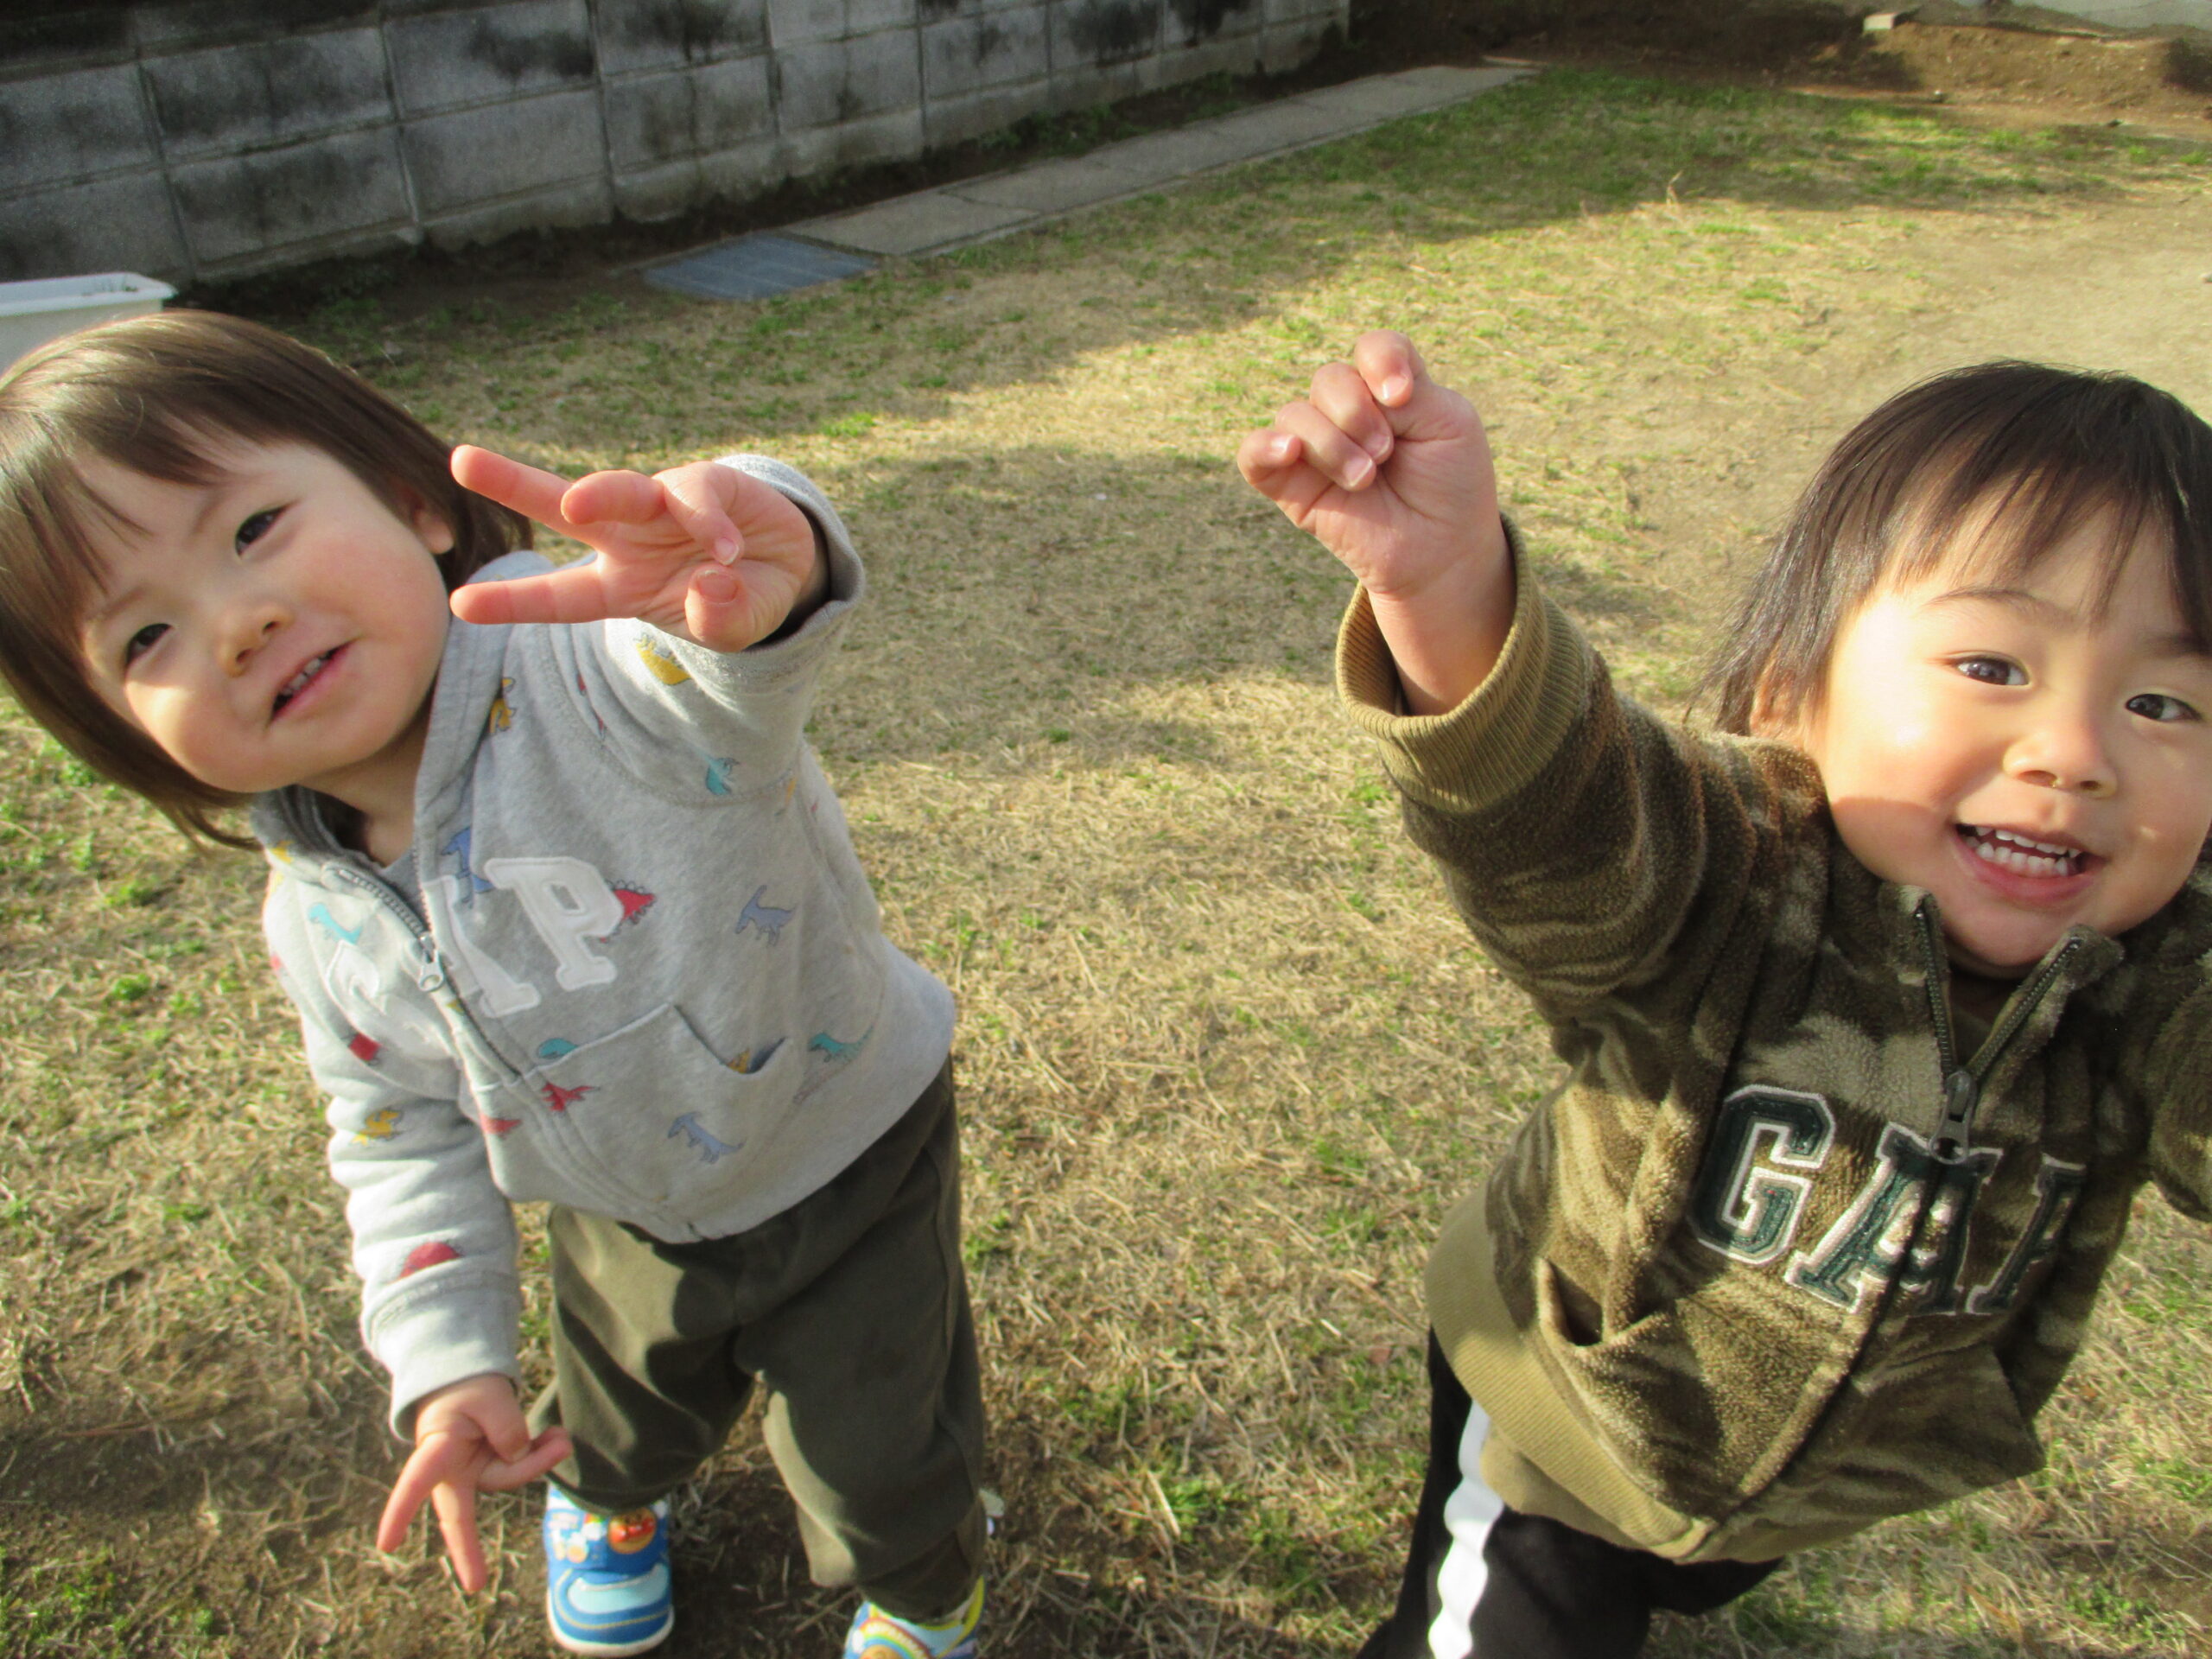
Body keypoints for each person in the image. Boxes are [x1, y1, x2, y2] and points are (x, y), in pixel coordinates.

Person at [0, 312, 987, 1659]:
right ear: (124, 734)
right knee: (619, 1412)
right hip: (616, 1203)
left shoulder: (599, 673)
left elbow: (730, 650)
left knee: (880, 1444)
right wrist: (447, 1365)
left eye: (252, 530)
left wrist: (757, 553)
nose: (237, 624)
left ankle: (925, 1590)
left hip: (845, 1142)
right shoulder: (316, 916)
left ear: (411, 499)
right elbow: (396, 1131)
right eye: (144, 637)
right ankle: (608, 1500)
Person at [1238, 331, 2212, 1658]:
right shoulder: (1738, 871)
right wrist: (1453, 594)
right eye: (1994, 668)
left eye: (2164, 703)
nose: (2074, 754)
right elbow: (1566, 822)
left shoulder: (2157, 982)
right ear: (1790, 697)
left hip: (1804, 1483)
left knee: (1670, 1589)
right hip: (1561, 1413)